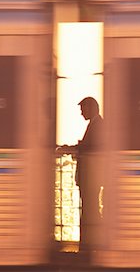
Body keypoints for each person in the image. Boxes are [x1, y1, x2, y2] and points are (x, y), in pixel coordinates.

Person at [56, 97, 104, 252]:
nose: (81, 113)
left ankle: (90, 245)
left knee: (90, 210)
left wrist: (71, 149)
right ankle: (90, 243)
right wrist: (72, 148)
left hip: (90, 177)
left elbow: (90, 148)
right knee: (90, 210)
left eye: (83, 109)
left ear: (91, 108)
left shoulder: (97, 125)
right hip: (90, 178)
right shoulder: (96, 124)